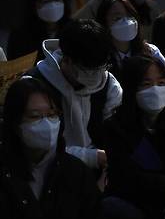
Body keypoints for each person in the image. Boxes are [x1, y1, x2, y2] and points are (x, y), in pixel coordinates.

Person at [104, 56, 165, 219]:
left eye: (161, 83)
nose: (155, 90)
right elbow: (126, 177)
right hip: (136, 204)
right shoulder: (116, 126)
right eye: (146, 84)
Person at [26, 19, 123, 170]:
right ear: (67, 60)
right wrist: (91, 157)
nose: (96, 75)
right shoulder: (36, 86)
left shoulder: (109, 85)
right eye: (88, 70)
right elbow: (35, 145)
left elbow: (113, 136)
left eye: (100, 67)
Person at [0, 77, 101, 219]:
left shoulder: (76, 172)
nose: (46, 124)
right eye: (35, 117)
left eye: (51, 115)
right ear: (15, 124)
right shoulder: (5, 172)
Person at [95, 0, 165, 79]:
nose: (126, 22)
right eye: (117, 18)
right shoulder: (99, 60)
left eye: (129, 15)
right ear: (104, 24)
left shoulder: (151, 52)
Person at [7, 0, 71, 60]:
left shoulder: (73, 31)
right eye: (45, 1)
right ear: (32, 5)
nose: (52, 5)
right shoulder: (20, 36)